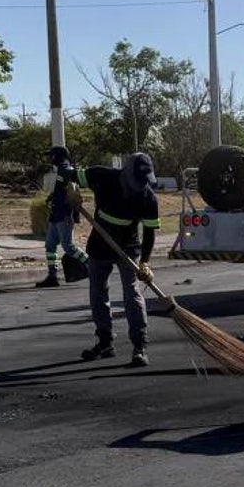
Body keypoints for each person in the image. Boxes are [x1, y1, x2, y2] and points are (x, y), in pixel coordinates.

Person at [67, 153, 159, 367]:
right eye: (137, 180)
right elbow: (66, 174)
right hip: (99, 245)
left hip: (128, 246)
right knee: (98, 292)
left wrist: (145, 262)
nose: (140, 185)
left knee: (132, 293)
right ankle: (105, 342)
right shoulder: (102, 177)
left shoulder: (148, 197)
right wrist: (69, 190)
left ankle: (140, 346)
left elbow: (150, 233)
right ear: (126, 174)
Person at [36, 146, 89, 288]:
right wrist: (52, 197)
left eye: (51, 156)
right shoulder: (61, 170)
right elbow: (62, 191)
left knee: (69, 247)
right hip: (56, 215)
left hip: (64, 216)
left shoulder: (67, 170)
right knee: (50, 245)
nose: (49, 159)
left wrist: (69, 214)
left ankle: (93, 266)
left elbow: (72, 195)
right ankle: (52, 276)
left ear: (56, 156)